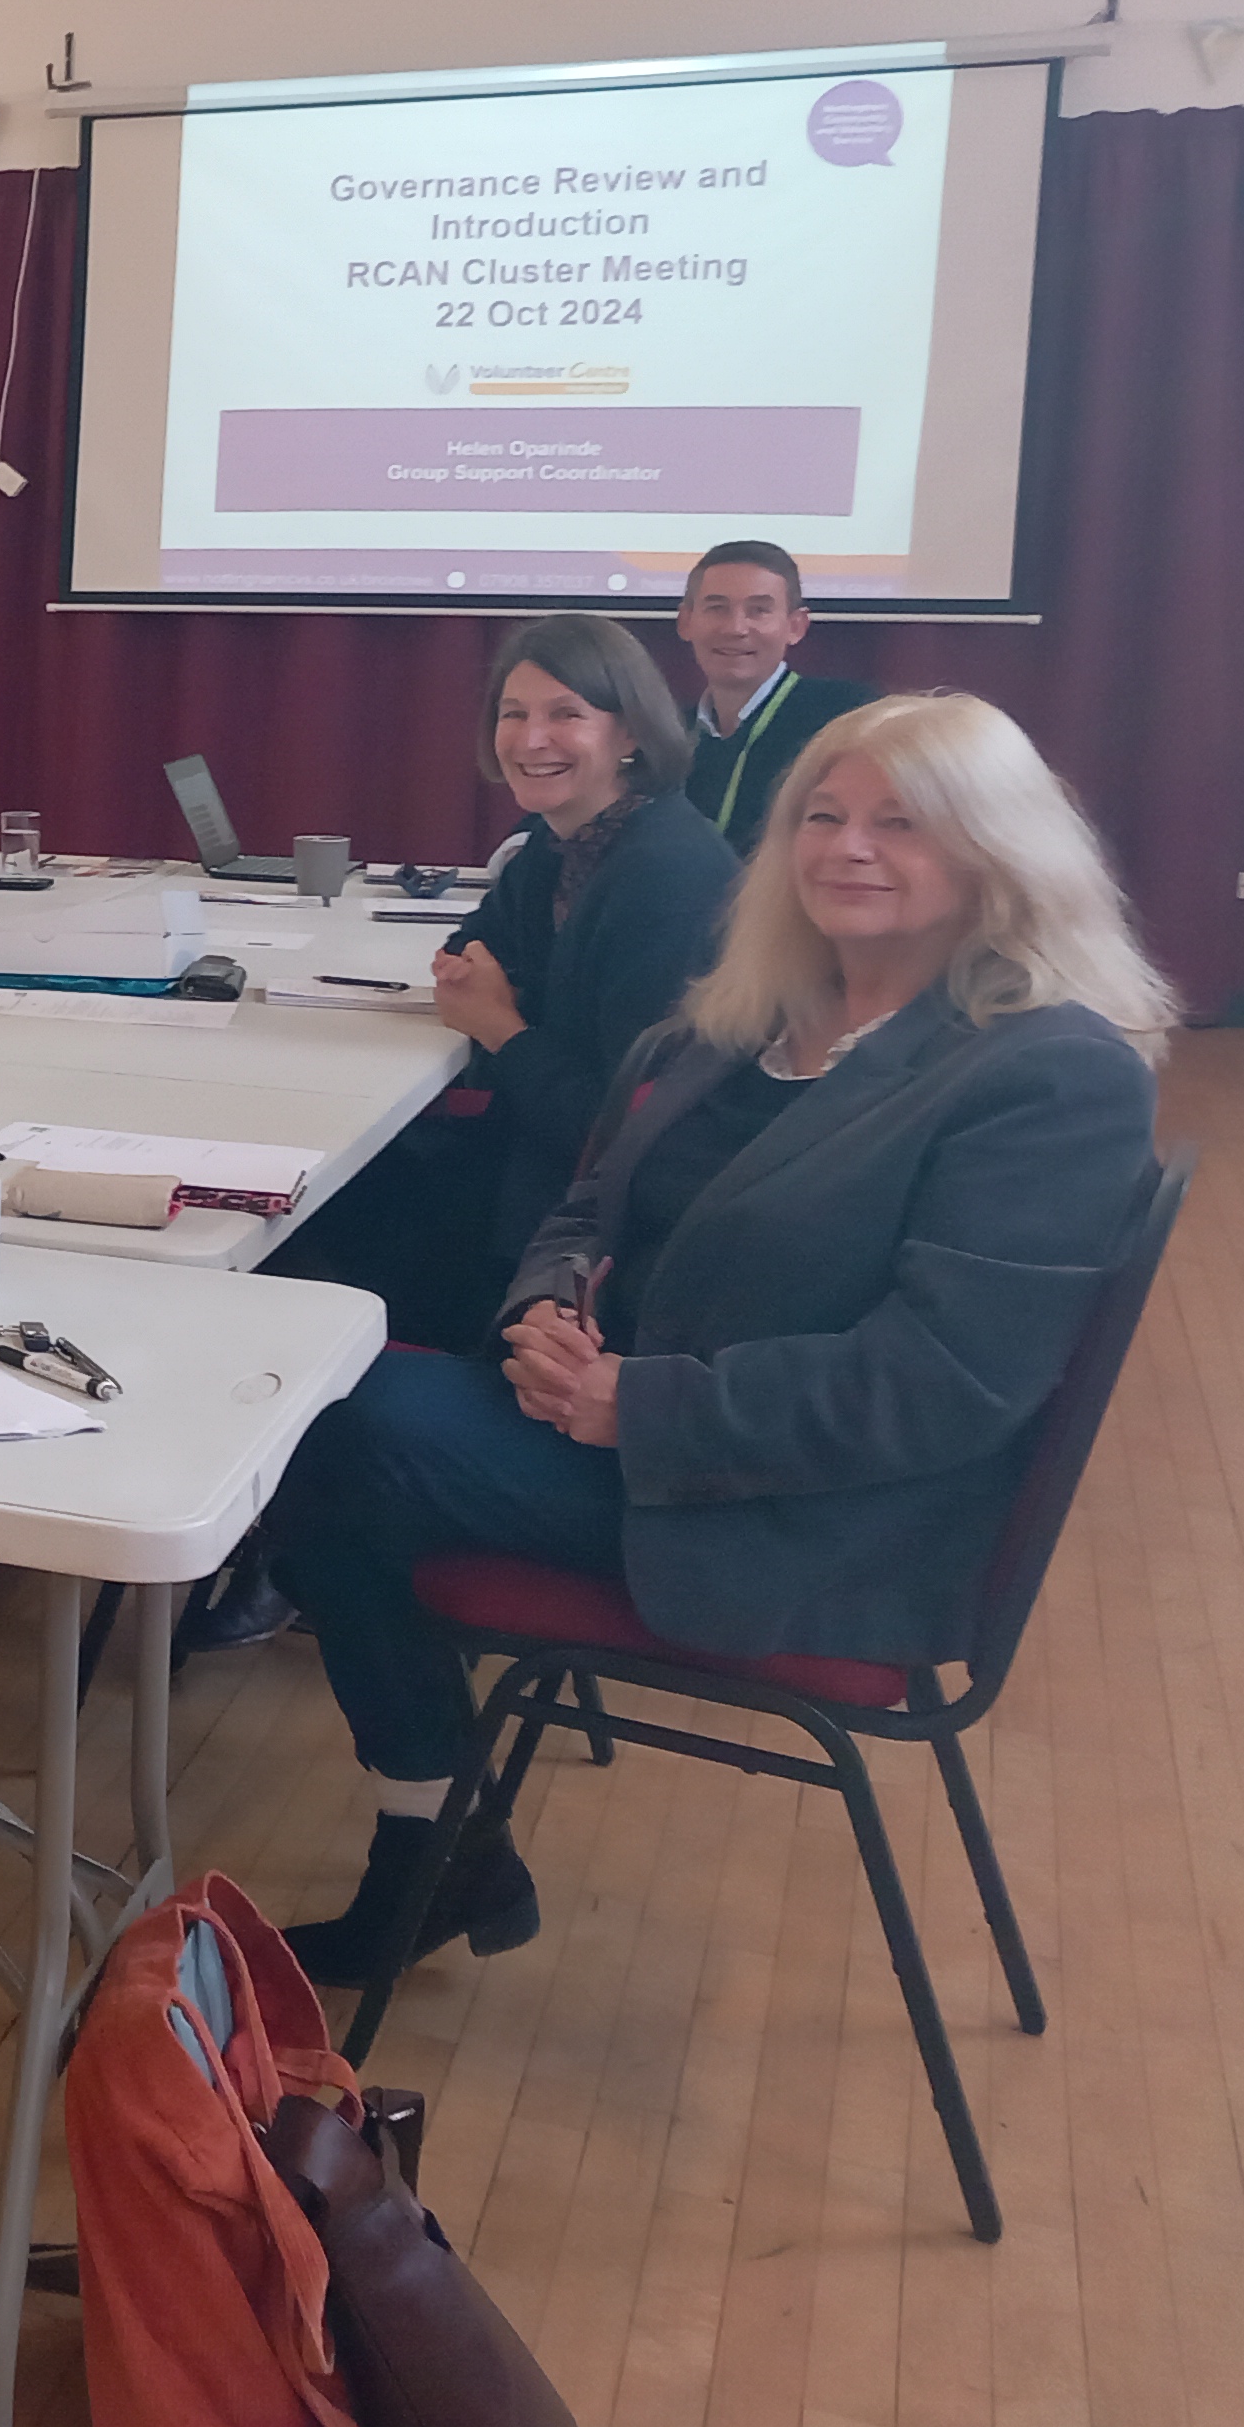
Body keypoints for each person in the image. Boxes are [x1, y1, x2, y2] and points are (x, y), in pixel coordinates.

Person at [262, 692, 1170, 1981]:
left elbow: (945, 1383)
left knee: (327, 1429)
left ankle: (434, 1838)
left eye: (901, 824)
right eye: (824, 816)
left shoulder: (1047, 1073)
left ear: (997, 852)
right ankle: (438, 1836)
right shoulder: (748, 1021)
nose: (847, 849)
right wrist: (544, 1306)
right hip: (622, 1423)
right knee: (327, 1426)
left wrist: (639, 1402)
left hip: (804, 1512)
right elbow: (589, 1199)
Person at [267, 613, 739, 1353]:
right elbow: (467, 953)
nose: (529, 739)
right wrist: (497, 1005)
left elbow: (617, 1134)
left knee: (310, 1222)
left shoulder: (666, 880)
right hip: (525, 1158)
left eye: (566, 715)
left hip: (586, 1233)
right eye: (513, 714)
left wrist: (504, 1028)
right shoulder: (555, 850)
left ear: (631, 735)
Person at [676, 539, 880, 858]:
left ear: (795, 627)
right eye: (717, 608)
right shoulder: (665, 730)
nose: (736, 628)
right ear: (686, 622)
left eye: (759, 611)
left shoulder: (846, 719)